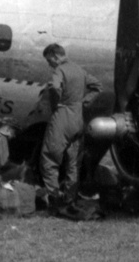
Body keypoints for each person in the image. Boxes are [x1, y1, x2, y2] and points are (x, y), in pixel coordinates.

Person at [39, 44, 96, 202]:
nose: (49, 64)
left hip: (62, 117)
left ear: (55, 56)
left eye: (49, 60)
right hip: (78, 119)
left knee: (49, 158)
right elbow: (97, 86)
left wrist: (56, 104)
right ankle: (70, 197)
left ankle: (54, 197)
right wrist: (84, 102)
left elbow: (55, 87)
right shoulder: (79, 69)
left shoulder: (59, 70)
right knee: (73, 162)